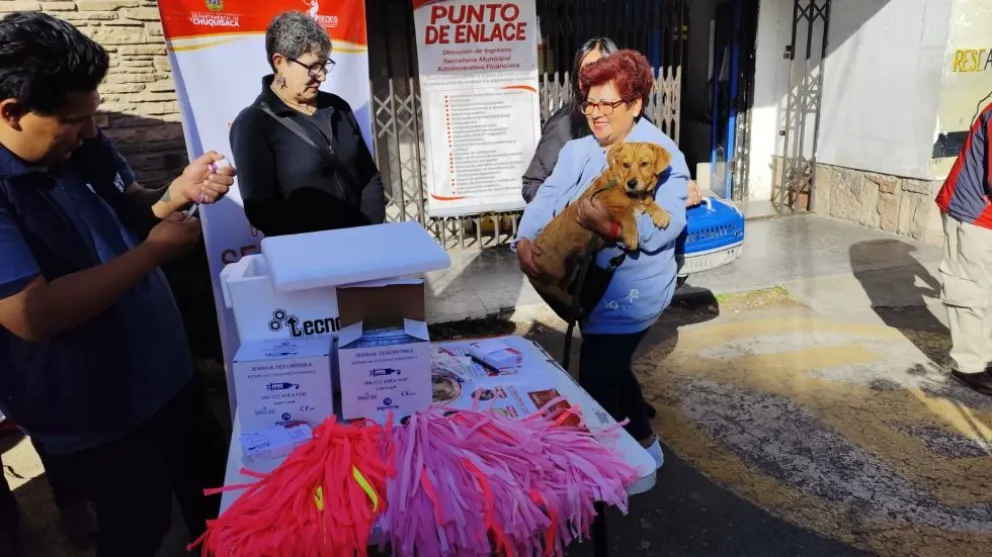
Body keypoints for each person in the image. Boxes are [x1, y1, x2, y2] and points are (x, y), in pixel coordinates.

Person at [0, 12, 235, 556]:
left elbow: (131, 206)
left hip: (167, 374)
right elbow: (30, 314)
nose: (88, 132)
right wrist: (151, 255)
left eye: (93, 115)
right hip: (96, 410)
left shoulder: (81, 141)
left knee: (217, 502)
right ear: (11, 112)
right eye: (72, 120)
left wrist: (175, 194)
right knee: (138, 528)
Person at [514, 50, 689, 470]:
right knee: (612, 365)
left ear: (635, 104)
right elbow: (549, 194)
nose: (595, 113)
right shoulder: (579, 150)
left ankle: (604, 467)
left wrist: (610, 228)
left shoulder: (662, 155)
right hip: (589, 285)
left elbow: (668, 227)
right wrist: (523, 239)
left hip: (633, 291)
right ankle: (645, 445)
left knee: (596, 378)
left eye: (607, 104)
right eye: (590, 103)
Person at [230, 11, 385, 237]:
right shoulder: (253, 124)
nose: (322, 76)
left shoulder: (338, 107)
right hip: (305, 251)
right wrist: (324, 240)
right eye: (312, 67)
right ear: (280, 63)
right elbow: (261, 210)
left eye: (324, 65)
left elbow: (369, 177)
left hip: (361, 243)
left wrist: (367, 230)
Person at [522, 38, 704, 207]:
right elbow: (533, 185)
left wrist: (680, 185)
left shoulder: (635, 121)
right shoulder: (564, 126)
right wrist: (573, 209)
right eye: (586, 72)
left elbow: (655, 169)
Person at [934, 102, 992, 397]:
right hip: (971, 213)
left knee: (988, 287)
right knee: (969, 286)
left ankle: (986, 356)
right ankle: (968, 365)